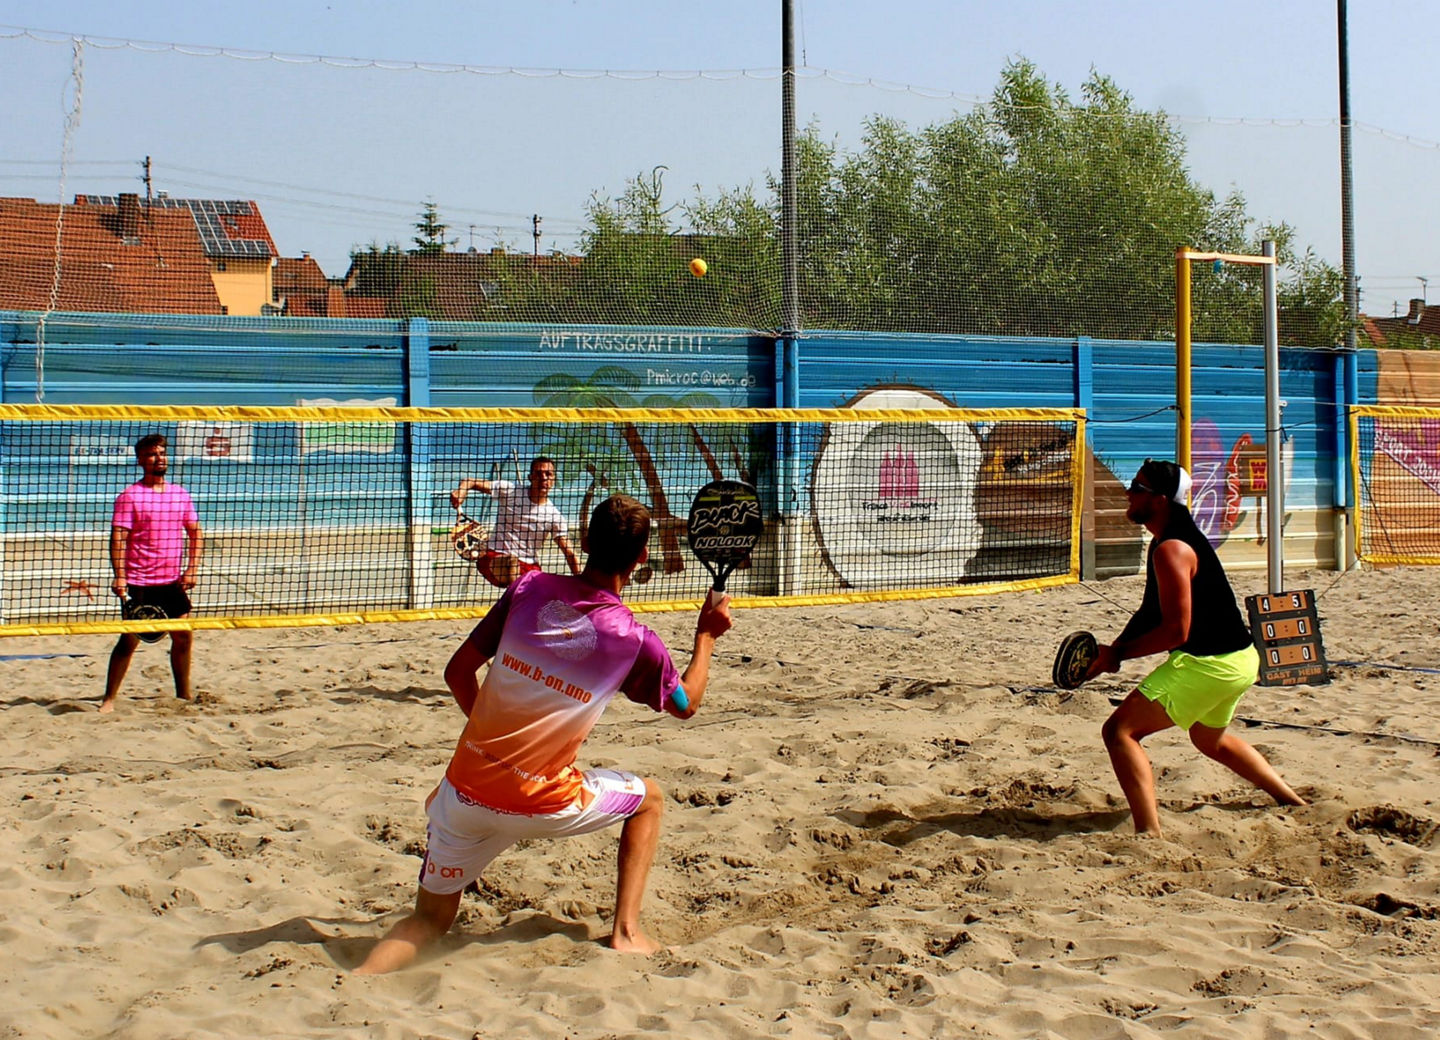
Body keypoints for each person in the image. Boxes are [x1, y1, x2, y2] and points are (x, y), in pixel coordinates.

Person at [355, 493, 732, 974]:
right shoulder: (635, 641)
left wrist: (488, 744)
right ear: (640, 559)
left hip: (463, 794)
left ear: (584, 541)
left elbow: (457, 673)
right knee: (650, 800)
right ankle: (627, 933)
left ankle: (355, 983)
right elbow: (686, 704)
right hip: (543, 802)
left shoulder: (528, 590)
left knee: (426, 922)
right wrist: (706, 637)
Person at [1086, 458, 1305, 835]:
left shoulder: (1172, 549)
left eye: (1137, 488)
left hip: (1211, 665)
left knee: (1119, 732)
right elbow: (1149, 611)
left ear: (1160, 500)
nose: (1128, 493)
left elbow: (1176, 631)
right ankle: (1293, 801)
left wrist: (1118, 655)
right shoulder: (1169, 538)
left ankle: (1148, 832)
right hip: (1241, 660)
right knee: (1210, 739)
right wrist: (1114, 650)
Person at [101, 432, 204, 714]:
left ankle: (183, 694)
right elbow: (118, 539)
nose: (158, 458)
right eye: (151, 454)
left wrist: (192, 568)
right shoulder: (129, 497)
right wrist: (119, 575)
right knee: (129, 641)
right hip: (140, 581)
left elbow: (195, 534)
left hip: (172, 582)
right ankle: (109, 699)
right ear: (140, 461)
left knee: (183, 636)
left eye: (161, 453)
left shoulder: (180, 494)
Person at [450, 456, 580, 588]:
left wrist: (581, 583)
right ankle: (516, 603)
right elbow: (470, 481)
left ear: (554, 479)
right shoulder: (510, 491)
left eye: (548, 474)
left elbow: (569, 552)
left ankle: (515, 604)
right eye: (538, 473)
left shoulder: (555, 517)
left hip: (528, 566)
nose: (544, 478)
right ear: (530, 477)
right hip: (494, 558)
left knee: (544, 590)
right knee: (512, 562)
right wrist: (461, 491)